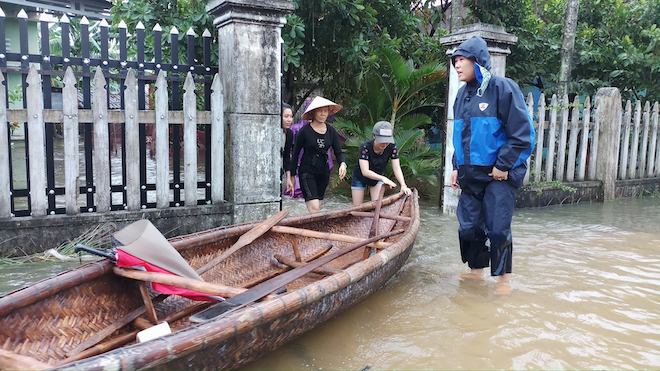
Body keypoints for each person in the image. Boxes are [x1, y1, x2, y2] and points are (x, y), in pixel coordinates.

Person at [449, 36, 535, 295]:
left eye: (461, 59)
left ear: (478, 61)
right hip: (470, 175)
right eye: (454, 60)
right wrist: (456, 165)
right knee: (468, 228)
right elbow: (460, 136)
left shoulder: (502, 88)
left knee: (498, 229)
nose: (456, 65)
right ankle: (476, 272)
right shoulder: (461, 95)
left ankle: (503, 280)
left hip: (498, 175)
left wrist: (503, 164)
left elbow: (523, 135)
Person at [288, 96, 347, 213]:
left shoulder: (331, 131)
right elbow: (295, 155)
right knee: (314, 207)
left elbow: (338, 151)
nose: (323, 114)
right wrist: (292, 177)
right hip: (307, 172)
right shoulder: (304, 132)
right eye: (320, 111)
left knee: (317, 206)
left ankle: (310, 227)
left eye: (325, 111)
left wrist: (343, 164)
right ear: (313, 112)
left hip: (323, 172)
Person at [351, 121, 411, 205]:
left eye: (387, 140)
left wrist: (403, 185)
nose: (385, 143)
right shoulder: (365, 147)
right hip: (360, 177)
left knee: (377, 206)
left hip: (377, 178)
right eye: (382, 140)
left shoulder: (392, 147)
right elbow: (365, 171)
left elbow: (396, 167)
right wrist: (384, 178)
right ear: (374, 136)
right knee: (357, 208)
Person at [281, 103, 295, 196]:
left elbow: (286, 156)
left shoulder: (289, 133)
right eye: (286, 116)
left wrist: (288, 179)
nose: (289, 119)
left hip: (280, 171)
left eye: (291, 116)